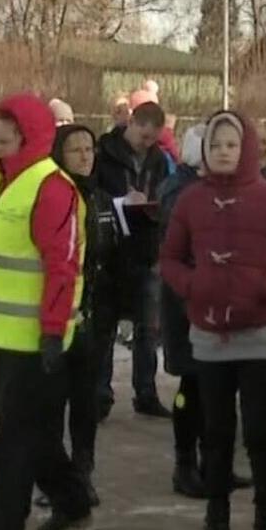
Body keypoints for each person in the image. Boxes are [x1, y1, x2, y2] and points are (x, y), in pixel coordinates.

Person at [160, 112, 266, 530]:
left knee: (260, 432)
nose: (223, 151)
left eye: (231, 143)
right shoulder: (190, 200)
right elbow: (168, 258)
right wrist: (191, 285)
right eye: (215, 144)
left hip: (258, 332)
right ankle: (217, 523)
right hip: (208, 333)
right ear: (204, 150)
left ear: (247, 147)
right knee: (216, 432)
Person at [0, 94, 92, 530]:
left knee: (12, 436)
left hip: (38, 340)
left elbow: (63, 267)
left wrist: (53, 331)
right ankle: (73, 500)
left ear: (30, 137)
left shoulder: (52, 189)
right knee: (37, 436)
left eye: (8, 133)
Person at [94, 99, 175, 418]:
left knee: (148, 329)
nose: (147, 144)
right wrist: (119, 202)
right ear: (133, 124)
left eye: (153, 139)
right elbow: (93, 193)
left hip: (145, 246)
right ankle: (100, 393)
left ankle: (146, 392)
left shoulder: (159, 159)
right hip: (110, 250)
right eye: (144, 136)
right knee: (105, 328)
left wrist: (153, 205)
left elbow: (166, 193)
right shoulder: (104, 154)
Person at [51, 122, 112, 503]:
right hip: (62, 316)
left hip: (95, 314)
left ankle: (83, 470)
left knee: (86, 402)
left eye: (89, 149)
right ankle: (57, 477)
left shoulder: (101, 198)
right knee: (56, 401)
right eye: (75, 150)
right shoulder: (56, 198)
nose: (85, 156)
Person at [158, 124, 212, 499]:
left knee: (207, 388)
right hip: (188, 303)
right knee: (192, 388)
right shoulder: (185, 192)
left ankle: (209, 461)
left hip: (199, 302)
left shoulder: (185, 186)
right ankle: (185, 463)